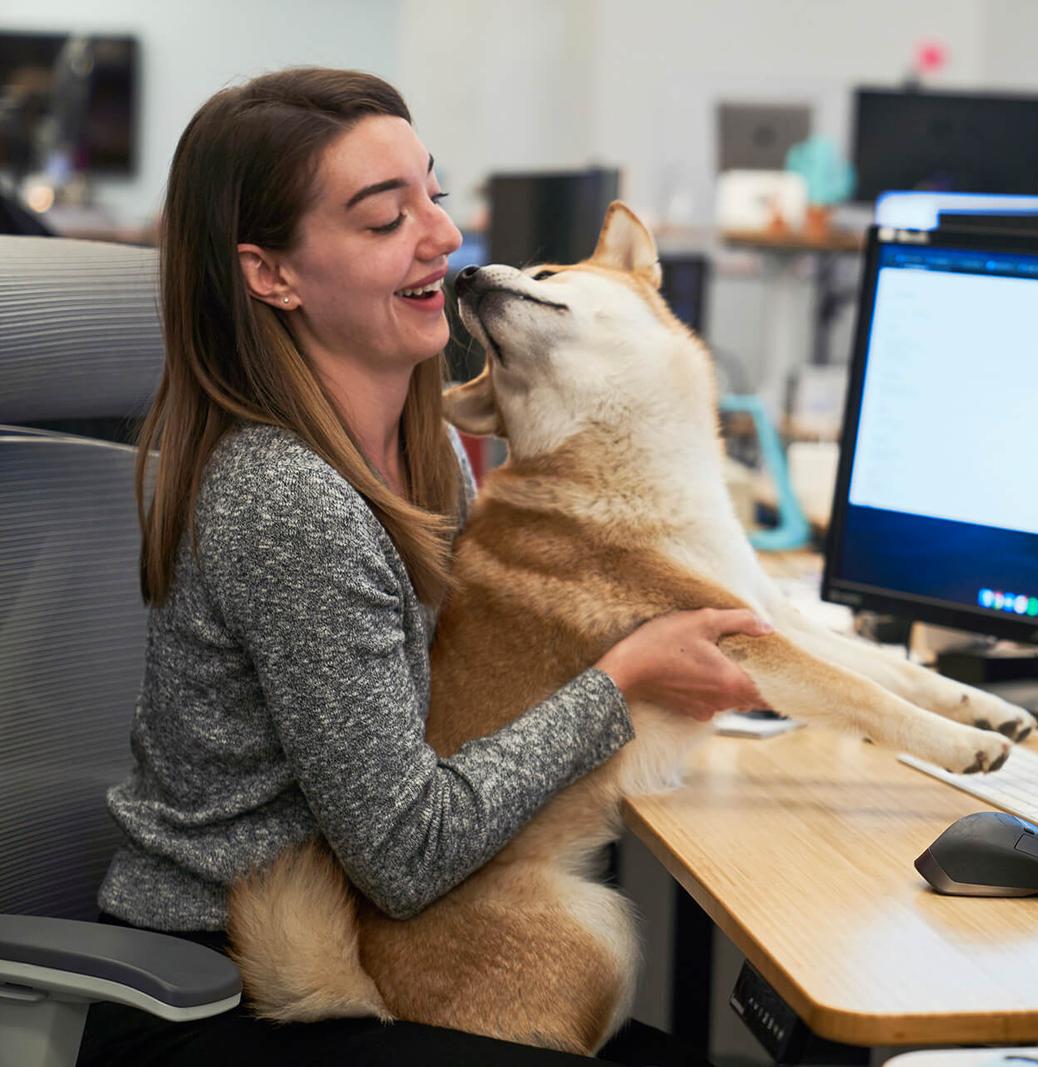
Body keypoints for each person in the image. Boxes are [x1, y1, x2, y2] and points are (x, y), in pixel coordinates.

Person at [78, 66, 767, 1067]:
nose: (443, 237)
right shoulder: (291, 499)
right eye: (381, 218)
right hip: (220, 989)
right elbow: (407, 851)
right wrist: (621, 679)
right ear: (272, 274)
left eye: (433, 194)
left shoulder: (424, 446)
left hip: (351, 945)